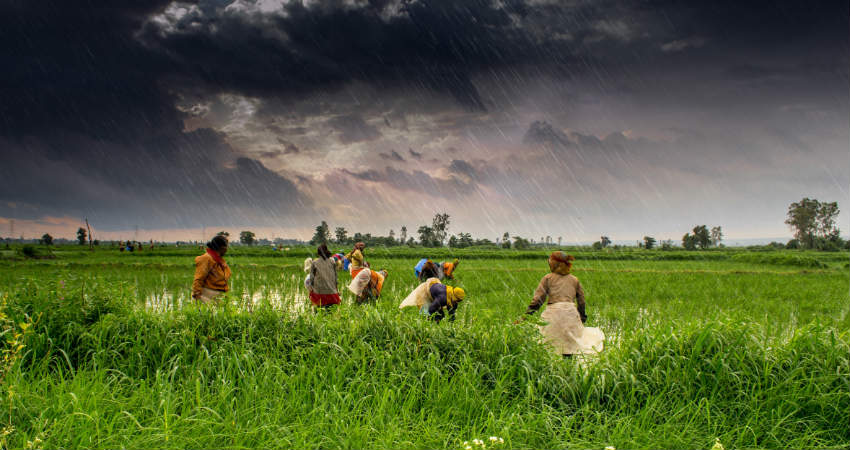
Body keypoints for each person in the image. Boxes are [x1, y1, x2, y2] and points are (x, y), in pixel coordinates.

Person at [521, 252, 603, 356]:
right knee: (569, 348)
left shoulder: (548, 278)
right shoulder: (574, 280)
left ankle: (553, 370)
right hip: (570, 314)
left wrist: (526, 316)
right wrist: (582, 318)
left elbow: (538, 300)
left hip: (553, 315)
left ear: (554, 264)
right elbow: (581, 302)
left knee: (549, 345)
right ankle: (568, 370)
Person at [399, 278, 466, 323]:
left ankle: (434, 324)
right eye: (458, 300)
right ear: (455, 297)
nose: (458, 302)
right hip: (424, 292)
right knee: (427, 314)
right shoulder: (443, 298)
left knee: (440, 314)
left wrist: (452, 322)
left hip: (435, 290)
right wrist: (432, 319)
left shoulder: (451, 295)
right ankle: (426, 328)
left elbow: (451, 312)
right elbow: (431, 309)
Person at [192, 235, 231, 305]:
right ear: (222, 248)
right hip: (207, 295)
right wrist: (197, 294)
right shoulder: (206, 258)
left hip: (218, 295)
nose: (227, 249)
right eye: (227, 247)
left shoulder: (219, 260)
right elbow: (199, 278)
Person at [306, 244, 341, 309]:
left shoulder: (315, 262)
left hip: (319, 292)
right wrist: (336, 289)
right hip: (331, 292)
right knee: (330, 311)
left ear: (318, 253)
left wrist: (310, 290)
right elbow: (335, 277)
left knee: (319, 310)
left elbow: (311, 278)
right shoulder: (332, 261)